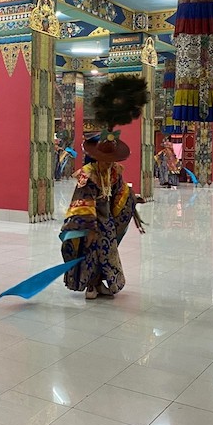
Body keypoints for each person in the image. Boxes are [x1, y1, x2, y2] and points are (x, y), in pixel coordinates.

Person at [59, 75, 148, 300]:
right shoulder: (88, 175)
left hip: (107, 223)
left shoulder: (114, 171)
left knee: (107, 254)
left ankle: (100, 284)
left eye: (111, 159)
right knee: (91, 254)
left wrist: (133, 199)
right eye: (105, 159)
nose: (108, 163)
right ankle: (90, 286)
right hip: (91, 223)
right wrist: (88, 229)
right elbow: (82, 201)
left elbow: (120, 192)